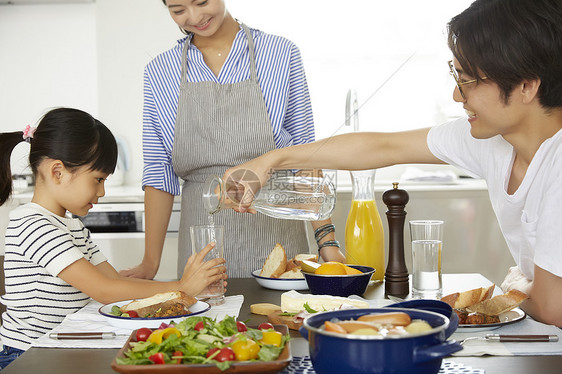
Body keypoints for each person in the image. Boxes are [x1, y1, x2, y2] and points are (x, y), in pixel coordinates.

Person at [223, 0, 562, 326]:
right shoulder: (493, 141)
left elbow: (551, 306)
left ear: (526, 86)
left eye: (468, 80)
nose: (457, 96)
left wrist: (517, 285)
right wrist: (273, 159)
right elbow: (382, 146)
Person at [120, 0, 345, 281]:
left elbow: (305, 155)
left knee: (279, 320)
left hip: (277, 235)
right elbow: (158, 170)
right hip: (201, 243)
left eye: (201, 2)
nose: (195, 16)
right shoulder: (159, 71)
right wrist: (149, 263)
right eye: (178, 10)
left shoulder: (280, 53)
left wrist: (327, 242)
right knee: (205, 323)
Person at [0, 108, 226, 369]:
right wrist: (183, 287)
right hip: (27, 356)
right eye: (98, 179)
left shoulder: (71, 226)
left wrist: (186, 292)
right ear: (57, 172)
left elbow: (114, 281)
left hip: (57, 348)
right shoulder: (33, 224)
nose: (103, 191)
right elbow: (104, 291)